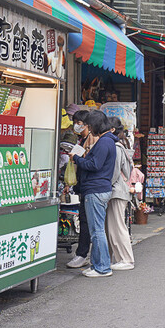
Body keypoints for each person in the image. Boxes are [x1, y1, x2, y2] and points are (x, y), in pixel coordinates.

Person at [72, 110, 117, 278]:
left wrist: (77, 159)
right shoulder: (107, 141)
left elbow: (94, 165)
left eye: (90, 126)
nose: (89, 130)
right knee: (96, 229)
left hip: (96, 190)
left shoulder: (104, 142)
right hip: (100, 188)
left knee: (97, 231)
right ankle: (97, 264)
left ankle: (103, 267)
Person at [106, 117, 135, 271]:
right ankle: (120, 258)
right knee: (114, 226)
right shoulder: (121, 145)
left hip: (117, 191)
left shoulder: (116, 147)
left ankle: (126, 259)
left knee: (118, 226)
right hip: (118, 191)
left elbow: (115, 172)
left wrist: (106, 186)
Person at [66, 111, 93, 269]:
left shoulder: (91, 139)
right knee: (85, 220)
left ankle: (83, 254)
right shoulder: (82, 140)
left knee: (86, 221)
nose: (75, 125)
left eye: (77, 122)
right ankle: (85, 254)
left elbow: (88, 163)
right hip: (83, 185)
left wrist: (75, 158)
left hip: (89, 186)